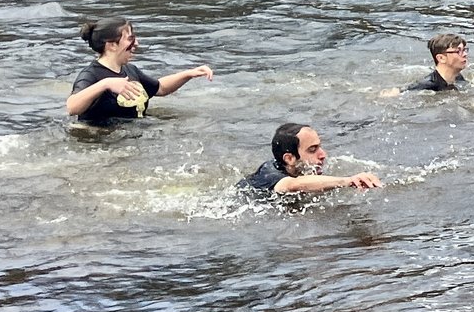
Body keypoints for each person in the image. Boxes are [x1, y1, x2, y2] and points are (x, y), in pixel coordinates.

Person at [66, 17, 212, 127]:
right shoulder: (91, 75)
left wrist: (188, 74)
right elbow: (72, 107)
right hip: (102, 145)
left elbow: (160, 88)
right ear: (111, 45)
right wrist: (106, 84)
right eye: (130, 39)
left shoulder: (130, 70)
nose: (136, 43)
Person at [239, 123, 384, 198]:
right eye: (312, 150)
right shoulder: (269, 174)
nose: (323, 155)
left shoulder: (297, 169)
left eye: (320, 147)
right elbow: (293, 185)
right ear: (289, 159)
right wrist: (347, 181)